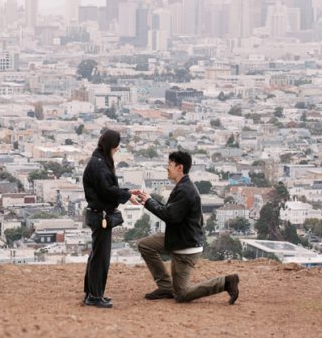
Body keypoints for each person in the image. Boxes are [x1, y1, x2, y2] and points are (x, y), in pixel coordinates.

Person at [137, 151, 240, 304]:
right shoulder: (183, 186)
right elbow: (171, 211)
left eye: (170, 165)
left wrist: (149, 202)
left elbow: (170, 216)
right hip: (179, 237)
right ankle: (166, 287)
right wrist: (149, 200)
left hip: (185, 247)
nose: (167, 168)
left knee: (181, 295)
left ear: (180, 167)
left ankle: (225, 282)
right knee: (145, 245)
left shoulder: (185, 190)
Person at [82, 129, 139, 308]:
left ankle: (91, 293)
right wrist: (127, 196)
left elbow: (104, 188)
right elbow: (107, 190)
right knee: (101, 257)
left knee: (96, 255)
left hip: (98, 213)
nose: (116, 151)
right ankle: (95, 297)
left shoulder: (97, 161)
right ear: (111, 146)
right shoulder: (99, 164)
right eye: (116, 148)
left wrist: (126, 192)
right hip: (101, 215)